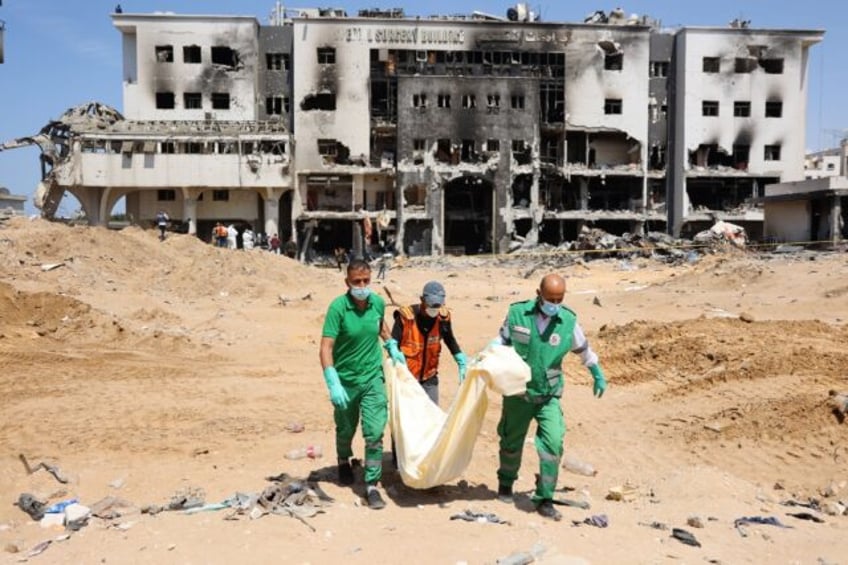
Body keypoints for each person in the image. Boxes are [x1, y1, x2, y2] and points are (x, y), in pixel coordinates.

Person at [493, 273, 607, 521]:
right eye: (550, 298)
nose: (554, 303)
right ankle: (506, 483)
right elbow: (500, 342)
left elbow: (584, 350)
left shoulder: (567, 320)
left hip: (548, 395)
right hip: (518, 393)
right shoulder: (517, 314)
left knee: (553, 444)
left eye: (559, 298)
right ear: (538, 294)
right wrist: (485, 360)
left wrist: (597, 373)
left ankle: (545, 496)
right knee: (511, 442)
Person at [320, 259, 399, 510]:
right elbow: (325, 347)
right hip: (346, 381)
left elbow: (380, 326)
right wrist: (333, 382)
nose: (362, 286)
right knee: (345, 428)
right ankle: (344, 460)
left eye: (366, 281)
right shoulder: (338, 308)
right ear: (347, 282)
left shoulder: (376, 302)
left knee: (375, 432)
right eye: (357, 282)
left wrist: (391, 344)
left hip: (372, 377)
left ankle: (371, 485)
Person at [389, 281, 466, 405]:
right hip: (407, 378)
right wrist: (393, 350)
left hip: (429, 377)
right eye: (431, 306)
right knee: (409, 418)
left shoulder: (443, 317)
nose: (434, 310)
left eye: (438, 306)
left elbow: (449, 339)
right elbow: (393, 341)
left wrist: (460, 359)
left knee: (432, 416)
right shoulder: (406, 317)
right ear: (422, 300)